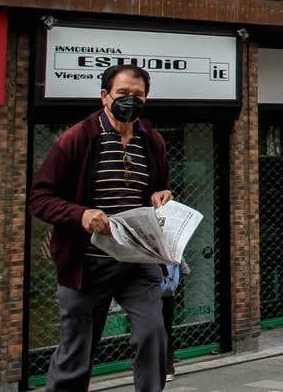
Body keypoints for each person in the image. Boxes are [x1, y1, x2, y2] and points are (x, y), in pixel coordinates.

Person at [29, 65, 172, 392]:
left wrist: (159, 195)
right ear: (104, 96)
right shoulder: (76, 138)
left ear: (146, 98)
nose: (130, 100)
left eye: (138, 95)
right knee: (76, 353)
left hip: (138, 262)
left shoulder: (152, 140)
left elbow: (158, 187)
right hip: (87, 264)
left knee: (153, 335)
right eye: (122, 94)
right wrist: (80, 214)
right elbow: (40, 198)